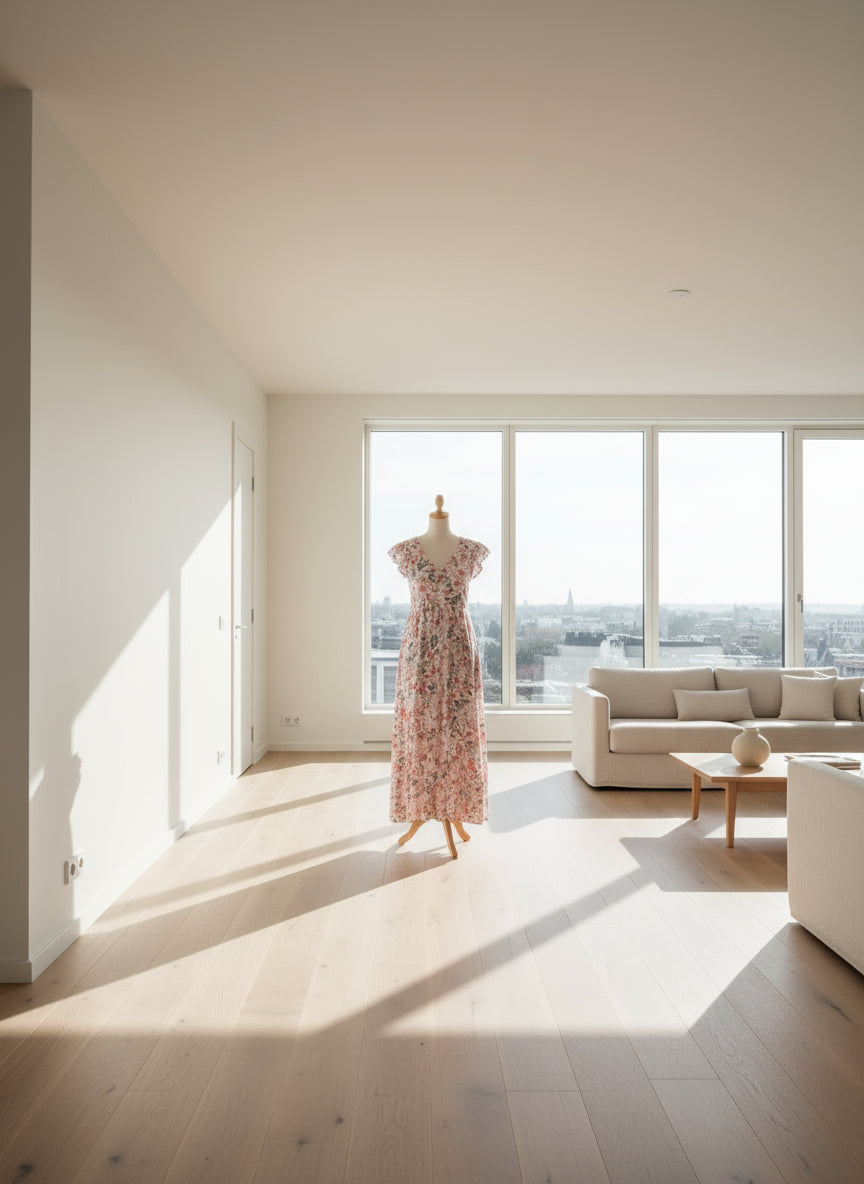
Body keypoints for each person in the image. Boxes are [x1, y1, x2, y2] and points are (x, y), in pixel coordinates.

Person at [387, 496, 489, 857]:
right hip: (420, 651)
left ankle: (453, 805)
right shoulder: (407, 552)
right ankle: (423, 805)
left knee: (458, 731)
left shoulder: (472, 553)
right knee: (420, 728)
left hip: (460, 649)